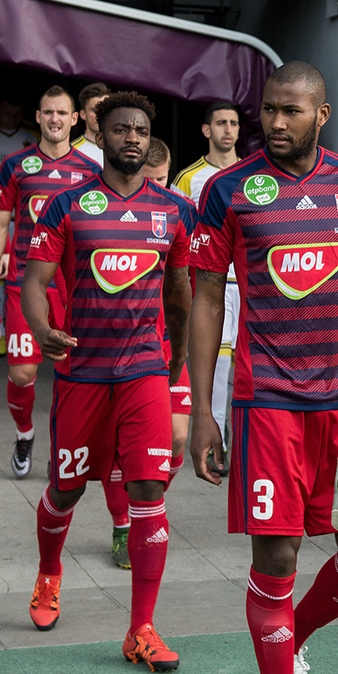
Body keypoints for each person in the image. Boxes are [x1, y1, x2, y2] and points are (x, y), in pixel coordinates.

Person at [189, 62, 338, 674]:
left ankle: (296, 641)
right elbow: (205, 298)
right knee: (277, 558)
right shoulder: (227, 190)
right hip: (268, 403)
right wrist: (201, 410)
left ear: (323, 114)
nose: (276, 122)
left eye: (292, 111)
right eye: (269, 109)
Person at [22, 90, 193, 673]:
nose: (132, 139)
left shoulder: (174, 211)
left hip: (144, 369)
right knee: (66, 490)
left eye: (141, 131)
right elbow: (35, 281)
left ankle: (141, 628)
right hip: (83, 372)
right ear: (100, 135)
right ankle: (49, 573)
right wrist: (42, 329)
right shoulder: (67, 206)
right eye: (121, 129)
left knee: (148, 490)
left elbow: (180, 293)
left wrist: (174, 365)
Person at [0, 86, 102, 475]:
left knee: (71, 375)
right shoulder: (15, 165)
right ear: (37, 117)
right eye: (48, 112)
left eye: (62, 113)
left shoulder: (91, 171)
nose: (54, 119)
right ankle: (24, 434)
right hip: (24, 282)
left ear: (75, 119)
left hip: (73, 289)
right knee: (22, 373)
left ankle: (63, 445)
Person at [172, 101, 244, 437]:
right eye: (220, 123)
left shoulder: (255, 175)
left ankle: (241, 432)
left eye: (233, 123)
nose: (228, 129)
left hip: (249, 283)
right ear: (206, 130)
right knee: (216, 363)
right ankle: (217, 436)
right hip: (212, 283)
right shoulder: (187, 178)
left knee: (247, 365)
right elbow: (176, 233)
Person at [142, 140, 193, 482]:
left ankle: (151, 501)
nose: (157, 188)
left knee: (177, 436)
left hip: (168, 336)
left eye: (162, 180)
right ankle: (133, 510)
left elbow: (194, 274)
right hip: (133, 340)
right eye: (150, 180)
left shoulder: (183, 210)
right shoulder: (118, 209)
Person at [0, 88, 39, 158]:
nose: (12, 119)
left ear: (24, 111)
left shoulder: (35, 136)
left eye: (17, 115)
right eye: (7, 114)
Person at [74, 82, 110, 165]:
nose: (100, 115)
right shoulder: (73, 151)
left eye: (105, 109)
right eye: (95, 110)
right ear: (83, 114)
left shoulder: (121, 147)